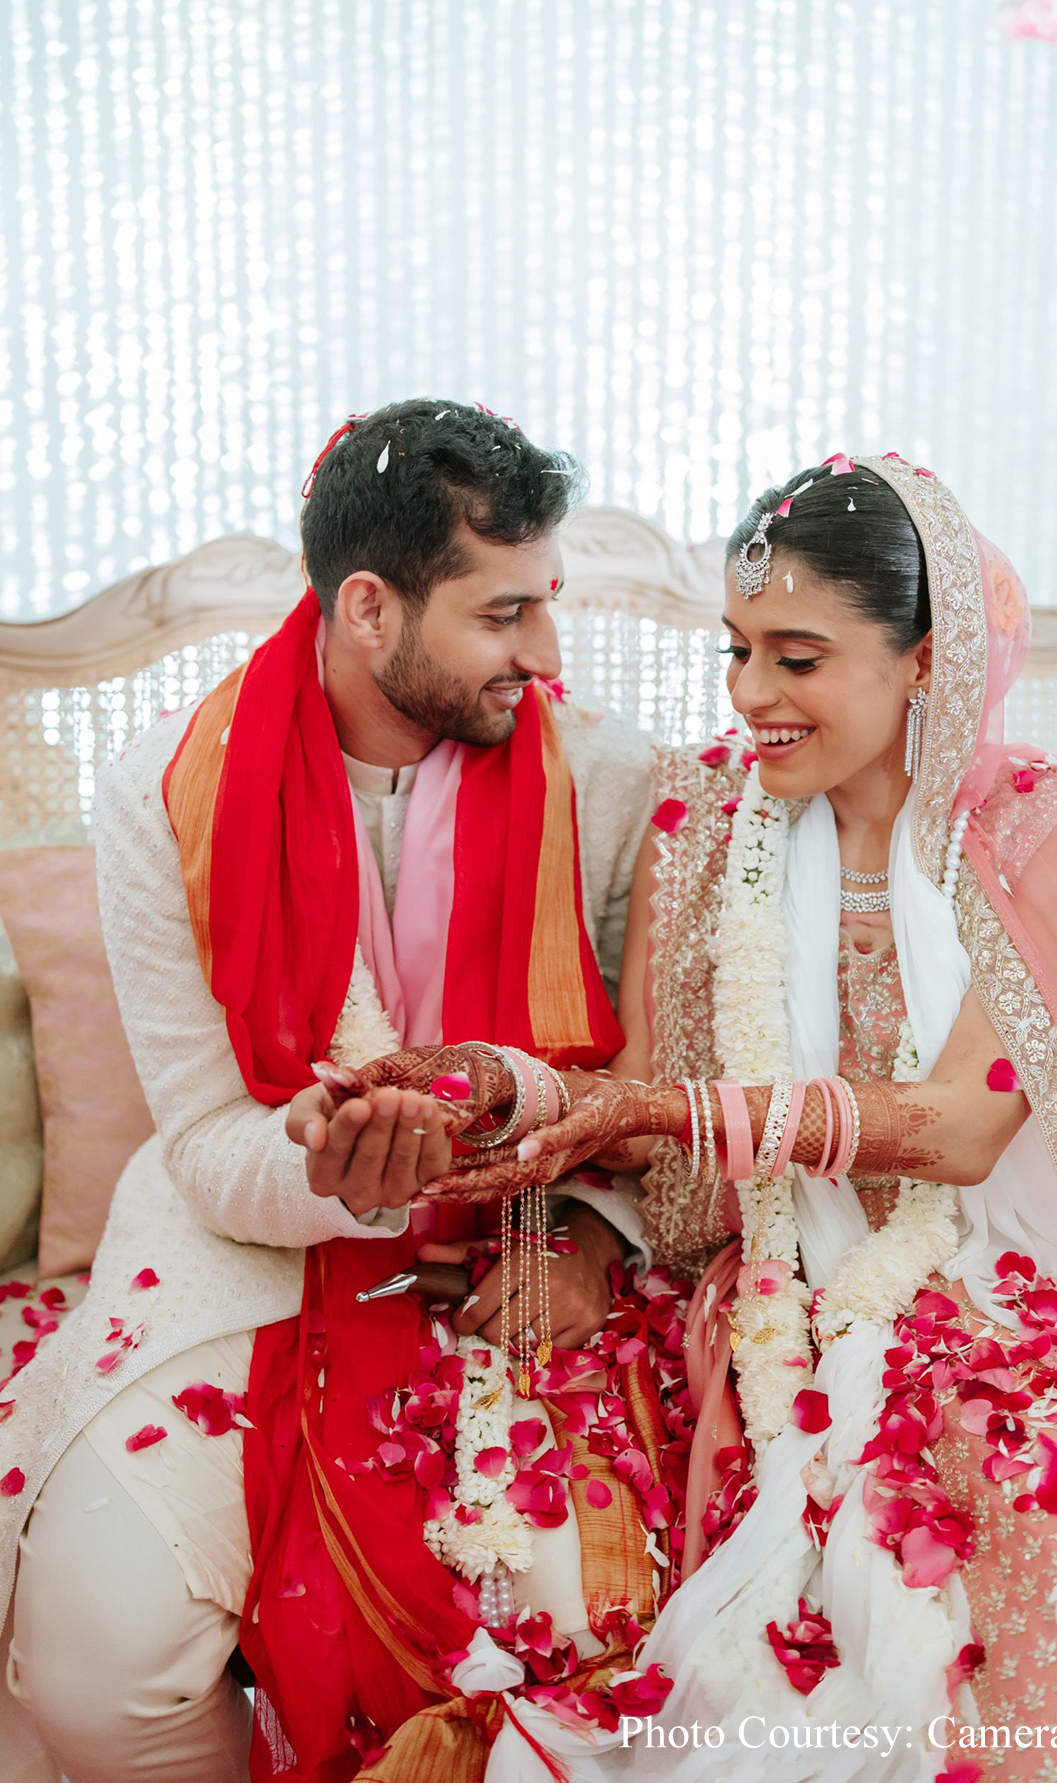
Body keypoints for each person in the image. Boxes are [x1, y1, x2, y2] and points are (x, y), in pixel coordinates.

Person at [436, 453, 1057, 1778]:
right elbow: (661, 1132)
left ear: (925, 657)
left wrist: (661, 1105)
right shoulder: (699, 823)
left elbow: (958, 1132)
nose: (750, 694)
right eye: (737, 650)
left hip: (1010, 1282)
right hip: (776, 1288)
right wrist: (518, 1108)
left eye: (797, 658)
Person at [0, 400, 668, 1783]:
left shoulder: (608, 777)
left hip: (513, 1248)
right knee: (92, 1674)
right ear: (370, 606)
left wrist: (595, 1231)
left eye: (550, 606)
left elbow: (646, 1079)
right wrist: (330, 1166)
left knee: (565, 1647)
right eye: (505, 614)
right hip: (239, 1249)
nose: (545, 654)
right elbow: (203, 1132)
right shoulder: (161, 795)